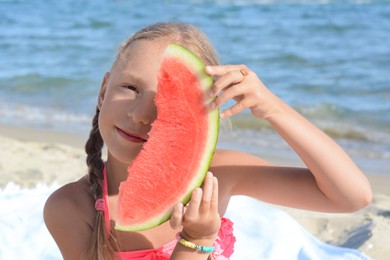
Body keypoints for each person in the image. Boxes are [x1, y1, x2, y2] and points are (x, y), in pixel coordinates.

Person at [43, 22, 372, 260]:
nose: (142, 114)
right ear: (103, 91)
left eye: (167, 102)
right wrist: (195, 242)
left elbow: (351, 196)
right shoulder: (70, 209)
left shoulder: (216, 173)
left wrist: (272, 108)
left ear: (196, 117)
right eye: (130, 88)